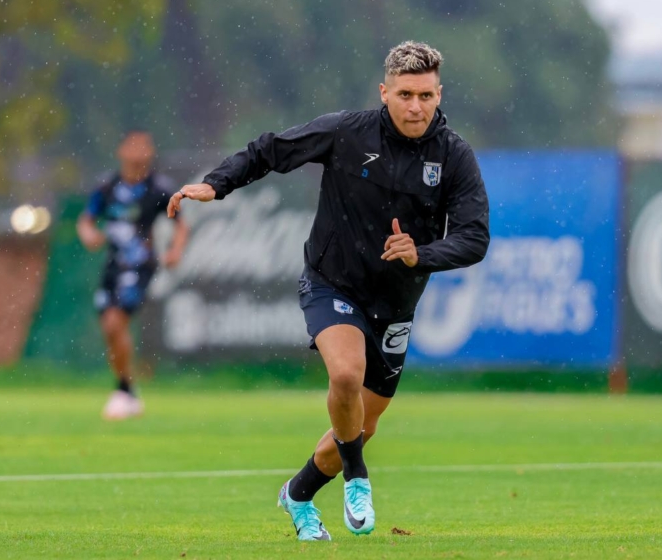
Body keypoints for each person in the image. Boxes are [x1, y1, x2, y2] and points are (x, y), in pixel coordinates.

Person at [168, 41, 489, 540]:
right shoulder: (347, 132)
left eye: (426, 95)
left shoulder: (454, 156)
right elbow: (271, 150)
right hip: (331, 281)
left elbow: (475, 238)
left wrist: (420, 255)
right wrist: (216, 183)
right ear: (385, 93)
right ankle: (357, 478)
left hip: (396, 303)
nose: (415, 106)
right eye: (405, 94)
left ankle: (297, 493)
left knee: (362, 424)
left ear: (438, 93)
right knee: (345, 375)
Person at [77, 130, 189, 420]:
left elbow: (181, 225)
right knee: (109, 329)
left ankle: (124, 391)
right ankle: (126, 388)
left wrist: (175, 251)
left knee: (115, 323)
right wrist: (89, 235)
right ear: (122, 151)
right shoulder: (107, 186)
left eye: (145, 146)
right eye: (134, 145)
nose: (139, 152)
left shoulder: (158, 188)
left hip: (139, 266)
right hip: (113, 265)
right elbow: (86, 221)